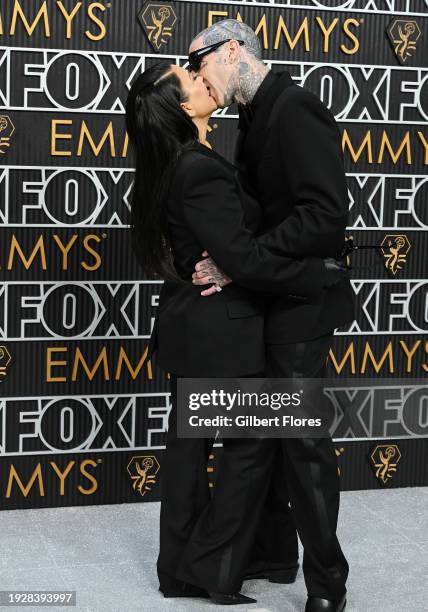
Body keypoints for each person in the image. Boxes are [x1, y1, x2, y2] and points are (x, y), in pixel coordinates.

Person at [125, 63, 349, 605]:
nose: (206, 81)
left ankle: (181, 568)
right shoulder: (198, 168)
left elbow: (228, 249)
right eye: (194, 80)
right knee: (250, 448)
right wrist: (316, 274)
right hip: (220, 329)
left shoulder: (177, 162)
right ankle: (209, 567)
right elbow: (244, 258)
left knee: (189, 451)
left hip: (192, 328)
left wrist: (229, 259)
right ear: (183, 108)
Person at [184, 19, 355, 612]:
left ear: (231, 50)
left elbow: (325, 217)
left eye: (199, 62)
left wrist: (242, 263)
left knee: (303, 444)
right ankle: (274, 555)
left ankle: (328, 584)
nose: (198, 77)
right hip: (274, 300)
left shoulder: (294, 108)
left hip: (303, 305)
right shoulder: (255, 113)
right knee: (274, 439)